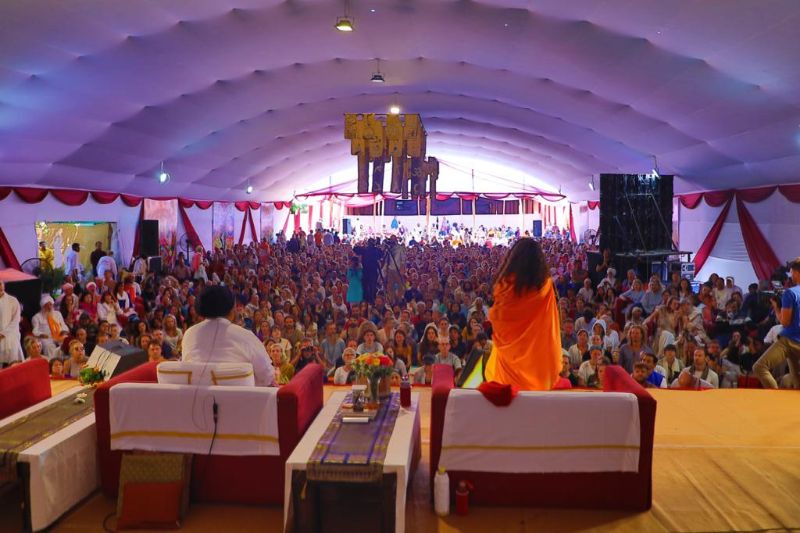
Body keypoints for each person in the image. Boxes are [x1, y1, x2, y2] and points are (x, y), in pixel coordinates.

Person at [484, 238, 562, 390]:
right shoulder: (545, 287)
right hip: (536, 358)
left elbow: (497, 318)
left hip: (508, 359)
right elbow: (550, 322)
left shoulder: (504, 285)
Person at [182, 286, 274, 386]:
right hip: (241, 395)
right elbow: (267, 375)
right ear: (231, 310)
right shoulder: (245, 336)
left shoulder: (189, 334)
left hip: (196, 394)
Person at [753, 257, 800, 388]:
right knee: (796, 378)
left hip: (790, 340)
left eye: (791, 271)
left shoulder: (790, 293)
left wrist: (776, 307)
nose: (790, 274)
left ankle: (775, 397)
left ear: (796, 272)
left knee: (760, 367)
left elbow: (785, 322)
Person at [0, 281, 23, 366]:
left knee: (13, 364)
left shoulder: (12, 300)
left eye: (0, 284)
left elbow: (16, 320)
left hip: (11, 336)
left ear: (4, 285)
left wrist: (3, 334)